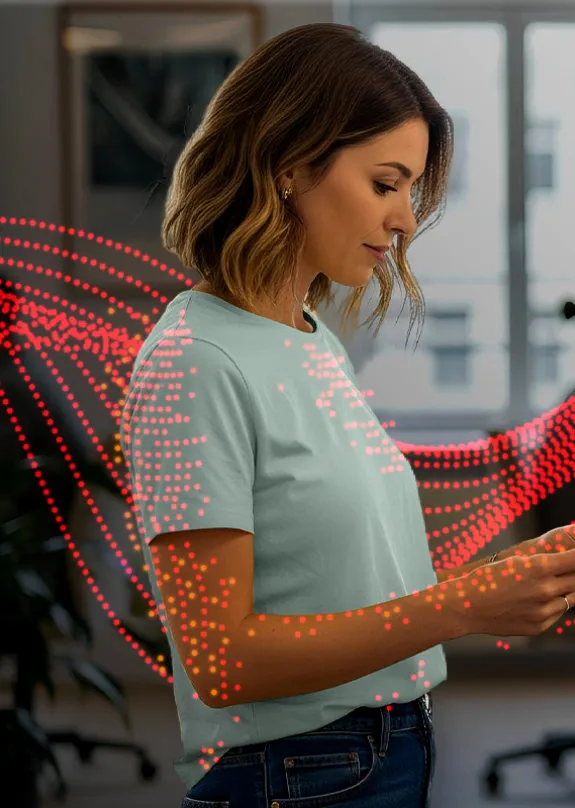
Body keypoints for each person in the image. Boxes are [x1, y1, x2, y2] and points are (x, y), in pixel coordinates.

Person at [120, 23, 575, 808]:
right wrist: (460, 607)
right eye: (385, 182)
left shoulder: (308, 337)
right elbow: (223, 661)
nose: (403, 220)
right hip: (294, 772)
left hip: (379, 748)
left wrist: (484, 583)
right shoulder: (192, 362)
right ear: (291, 164)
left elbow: (333, 583)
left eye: (409, 191)